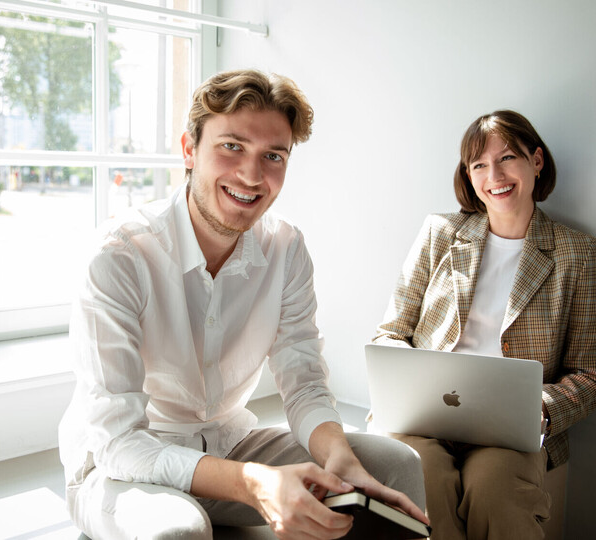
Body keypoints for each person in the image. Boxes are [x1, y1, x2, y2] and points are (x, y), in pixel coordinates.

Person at [58, 69, 429, 540]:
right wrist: (255, 484)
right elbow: (120, 441)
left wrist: (341, 460)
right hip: (122, 466)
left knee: (395, 464)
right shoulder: (118, 255)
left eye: (273, 155)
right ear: (189, 150)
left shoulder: (286, 248)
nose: (252, 176)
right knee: (178, 532)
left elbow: (304, 383)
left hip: (228, 446)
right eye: (232, 146)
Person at [373, 109, 596, 539]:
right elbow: (391, 331)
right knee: (421, 479)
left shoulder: (577, 253)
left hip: (509, 430)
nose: (493, 175)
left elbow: (593, 377)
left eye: (507, 159)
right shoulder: (440, 232)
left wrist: (538, 407)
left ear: (536, 161)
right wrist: (404, 380)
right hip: (426, 416)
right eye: (479, 164)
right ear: (468, 174)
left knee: (495, 490)